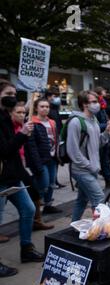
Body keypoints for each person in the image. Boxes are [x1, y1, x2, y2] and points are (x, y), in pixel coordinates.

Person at [0, 79, 45, 267]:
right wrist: (22, 134)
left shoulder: (6, 117)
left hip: (13, 177)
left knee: (29, 209)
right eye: (8, 95)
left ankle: (26, 249)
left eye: (13, 94)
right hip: (1, 179)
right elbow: (3, 150)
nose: (12, 98)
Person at [67, 91, 110, 222]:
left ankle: (73, 224)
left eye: (96, 101)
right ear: (84, 104)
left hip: (92, 168)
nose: (97, 104)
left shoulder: (94, 120)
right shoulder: (76, 122)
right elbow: (73, 151)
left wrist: (106, 133)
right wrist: (90, 165)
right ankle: (100, 230)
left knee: (82, 200)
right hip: (81, 170)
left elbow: (97, 143)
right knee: (99, 200)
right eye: (93, 102)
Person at [11, 102, 54, 231]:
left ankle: (36, 221)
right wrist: (37, 165)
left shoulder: (25, 126)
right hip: (11, 168)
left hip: (21, 166)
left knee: (34, 192)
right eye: (18, 112)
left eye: (23, 112)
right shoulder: (15, 127)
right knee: (5, 201)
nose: (22, 115)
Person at [25, 99, 63, 215]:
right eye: (42, 106)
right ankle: (34, 205)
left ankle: (48, 205)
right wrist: (37, 162)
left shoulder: (52, 122)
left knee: (51, 183)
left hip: (52, 158)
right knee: (43, 183)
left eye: (47, 106)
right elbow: (31, 145)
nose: (45, 109)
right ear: (36, 108)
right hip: (40, 159)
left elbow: (56, 139)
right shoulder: (32, 122)